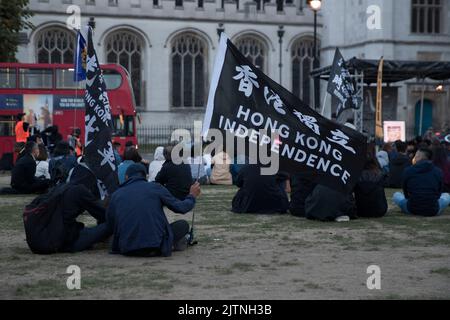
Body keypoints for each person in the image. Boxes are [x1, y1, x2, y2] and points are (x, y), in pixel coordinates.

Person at [106, 163, 201, 257]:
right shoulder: (155, 188)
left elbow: (110, 223)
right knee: (182, 225)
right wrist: (191, 196)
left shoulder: (116, 195)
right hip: (157, 246)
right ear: (145, 176)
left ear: (126, 177)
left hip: (128, 248)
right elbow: (181, 207)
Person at [58, 164, 111, 252]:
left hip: (43, 236)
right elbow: (101, 213)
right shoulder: (80, 191)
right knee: (108, 226)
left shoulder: (61, 188)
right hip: (63, 240)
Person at [393, 148, 450, 216]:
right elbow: (439, 192)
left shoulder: (408, 170)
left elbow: (405, 191)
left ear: (418, 157)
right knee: (447, 195)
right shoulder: (438, 171)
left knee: (396, 195)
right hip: (433, 209)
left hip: (412, 208)